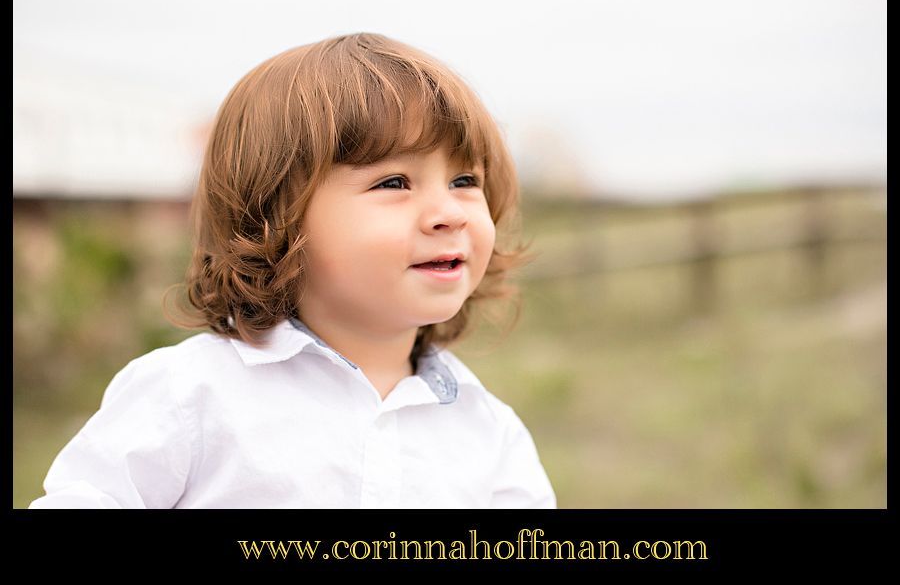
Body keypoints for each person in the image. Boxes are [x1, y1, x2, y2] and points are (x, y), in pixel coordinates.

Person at [28, 33, 557, 509]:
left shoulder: (488, 433)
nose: (450, 212)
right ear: (276, 218)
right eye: (394, 183)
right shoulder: (192, 395)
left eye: (465, 180)